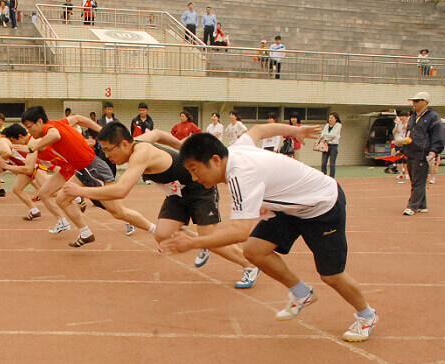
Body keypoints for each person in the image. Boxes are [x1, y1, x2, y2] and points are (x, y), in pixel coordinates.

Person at [161, 124, 380, 342]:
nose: (194, 178)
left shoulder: (241, 176)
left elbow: (240, 232)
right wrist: (295, 131)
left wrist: (193, 243)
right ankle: (302, 293)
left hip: (322, 206)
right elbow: (259, 130)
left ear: (216, 160)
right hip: (289, 207)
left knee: (331, 275)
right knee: (254, 251)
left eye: (194, 169)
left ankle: (367, 316)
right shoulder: (236, 149)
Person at [63, 122, 259, 287]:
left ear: (124, 144)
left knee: (210, 237)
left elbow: (121, 190)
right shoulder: (137, 142)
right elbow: (157, 133)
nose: (107, 156)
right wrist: (180, 145)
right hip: (176, 194)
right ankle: (204, 243)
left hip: (198, 187)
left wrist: (82, 191)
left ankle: (249, 265)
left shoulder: (141, 154)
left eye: (108, 150)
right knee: (162, 234)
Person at [15, 106, 153, 246]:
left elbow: (55, 135)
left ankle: (155, 230)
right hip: (81, 170)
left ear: (39, 121)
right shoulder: (59, 123)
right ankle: (85, 233)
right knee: (61, 199)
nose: (29, 131)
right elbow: (78, 118)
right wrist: (102, 131)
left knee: (119, 212)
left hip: (93, 170)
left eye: (29, 127)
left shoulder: (48, 129)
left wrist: (32, 147)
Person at [402, 92, 444, 215]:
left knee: (419, 181)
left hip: (422, 153)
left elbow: (438, 136)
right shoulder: (413, 116)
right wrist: (402, 149)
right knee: (415, 180)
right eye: (413, 101)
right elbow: (409, 134)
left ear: (425, 102)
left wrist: (434, 151)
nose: (413, 103)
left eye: (417, 101)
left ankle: (412, 206)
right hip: (411, 152)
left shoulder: (433, 117)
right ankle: (422, 205)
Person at [318, 112, 341, 178]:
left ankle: (332, 177)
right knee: (323, 162)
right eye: (329, 117)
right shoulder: (327, 125)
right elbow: (322, 135)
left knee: (332, 163)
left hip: (334, 146)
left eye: (332, 118)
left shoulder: (338, 125)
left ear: (336, 119)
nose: (330, 119)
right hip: (326, 145)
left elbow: (333, 135)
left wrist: (326, 136)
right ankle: (323, 176)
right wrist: (327, 136)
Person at [394, 110, 409, 182]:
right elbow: (394, 132)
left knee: (405, 159)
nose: (402, 118)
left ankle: (407, 173)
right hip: (398, 141)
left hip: (405, 141)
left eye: (403, 116)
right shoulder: (398, 123)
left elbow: (407, 130)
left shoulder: (408, 123)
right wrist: (397, 125)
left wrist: (405, 123)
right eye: (400, 116)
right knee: (399, 158)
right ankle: (400, 174)